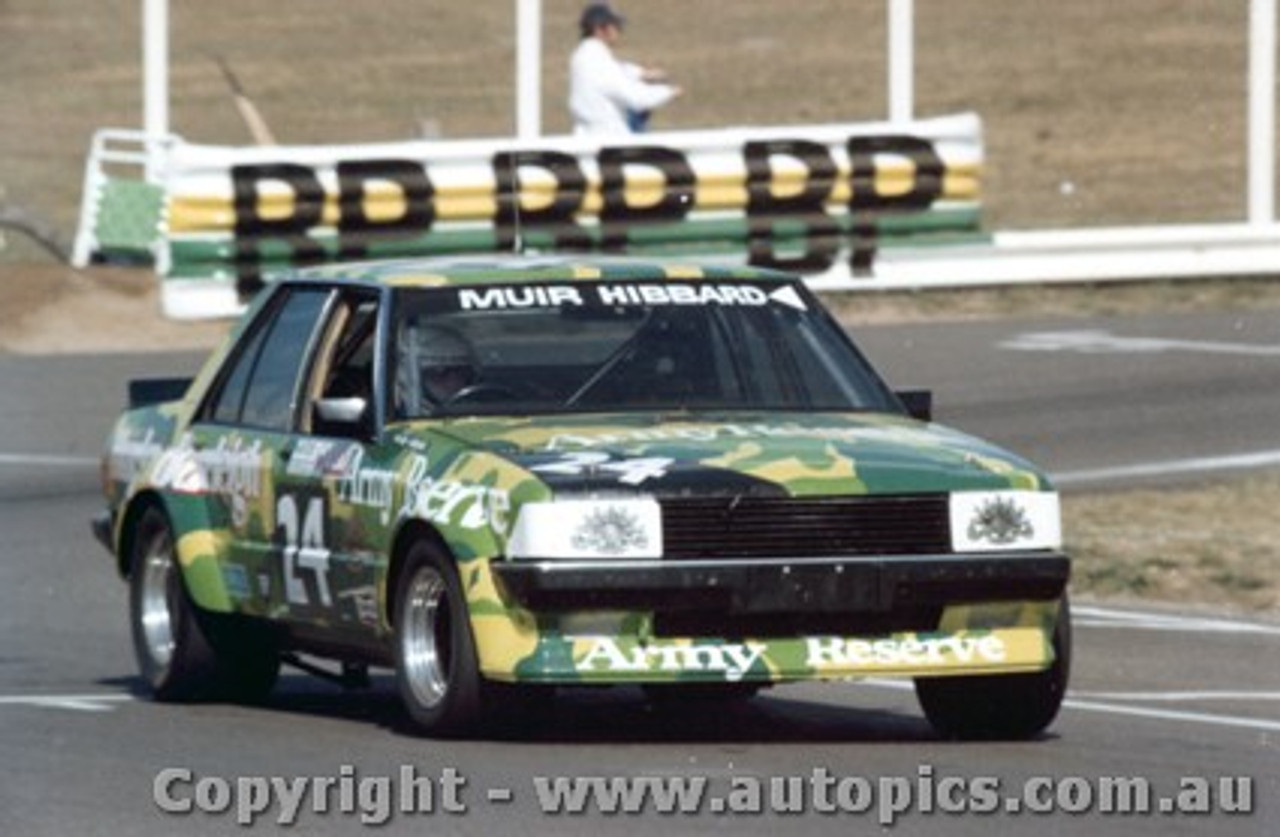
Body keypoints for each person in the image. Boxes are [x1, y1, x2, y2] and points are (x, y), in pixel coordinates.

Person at [569, 3, 682, 136]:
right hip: (609, 141)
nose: (619, 31)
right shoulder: (597, 61)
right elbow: (636, 98)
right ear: (599, 29)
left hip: (588, 139)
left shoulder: (582, 56)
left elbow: (618, 70)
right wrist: (669, 91)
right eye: (616, 26)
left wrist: (642, 74)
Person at [398, 322, 479, 412]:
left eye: (461, 373)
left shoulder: (481, 412)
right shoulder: (397, 421)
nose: (453, 382)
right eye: (441, 374)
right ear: (410, 378)